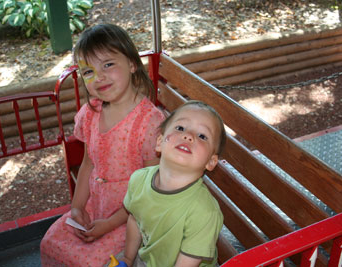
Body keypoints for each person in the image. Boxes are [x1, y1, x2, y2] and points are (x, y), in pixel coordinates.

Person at [40, 24, 165, 266]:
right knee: (50, 242)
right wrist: (76, 208)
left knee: (91, 262)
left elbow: (150, 191)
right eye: (88, 72)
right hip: (94, 205)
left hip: (131, 217)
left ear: (131, 63)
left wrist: (109, 224)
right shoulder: (90, 113)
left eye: (108, 64)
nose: (99, 77)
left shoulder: (150, 123)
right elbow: (89, 163)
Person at [120, 100, 226, 267]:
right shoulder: (139, 180)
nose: (188, 135)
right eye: (180, 128)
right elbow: (135, 219)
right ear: (160, 142)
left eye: (202, 136)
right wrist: (126, 259)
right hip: (147, 259)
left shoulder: (203, 211)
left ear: (211, 162)